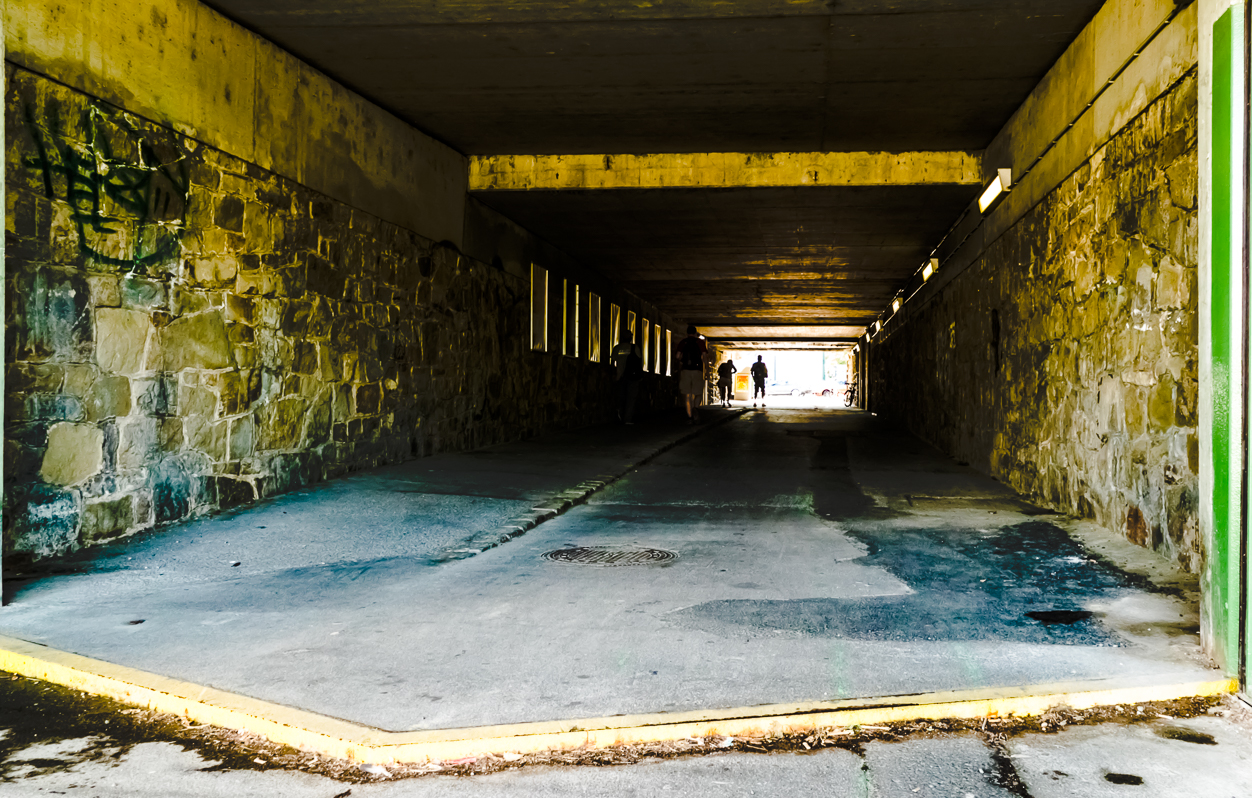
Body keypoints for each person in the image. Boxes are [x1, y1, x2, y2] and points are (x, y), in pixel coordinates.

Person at [674, 325, 708, 424]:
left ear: (687, 333)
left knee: (687, 395)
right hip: (697, 370)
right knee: (698, 393)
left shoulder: (683, 342)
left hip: (685, 370)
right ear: (696, 333)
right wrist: (707, 371)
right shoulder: (700, 342)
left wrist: (681, 361)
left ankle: (689, 417)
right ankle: (695, 408)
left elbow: (677, 356)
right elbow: (705, 357)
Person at [611, 330, 644, 424]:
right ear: (630, 338)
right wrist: (640, 375)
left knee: (620, 396)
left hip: (620, 376)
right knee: (631, 397)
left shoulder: (617, 348)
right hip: (632, 376)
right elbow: (639, 363)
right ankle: (627, 419)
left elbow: (612, 362)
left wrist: (614, 374)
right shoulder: (635, 348)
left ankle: (619, 414)